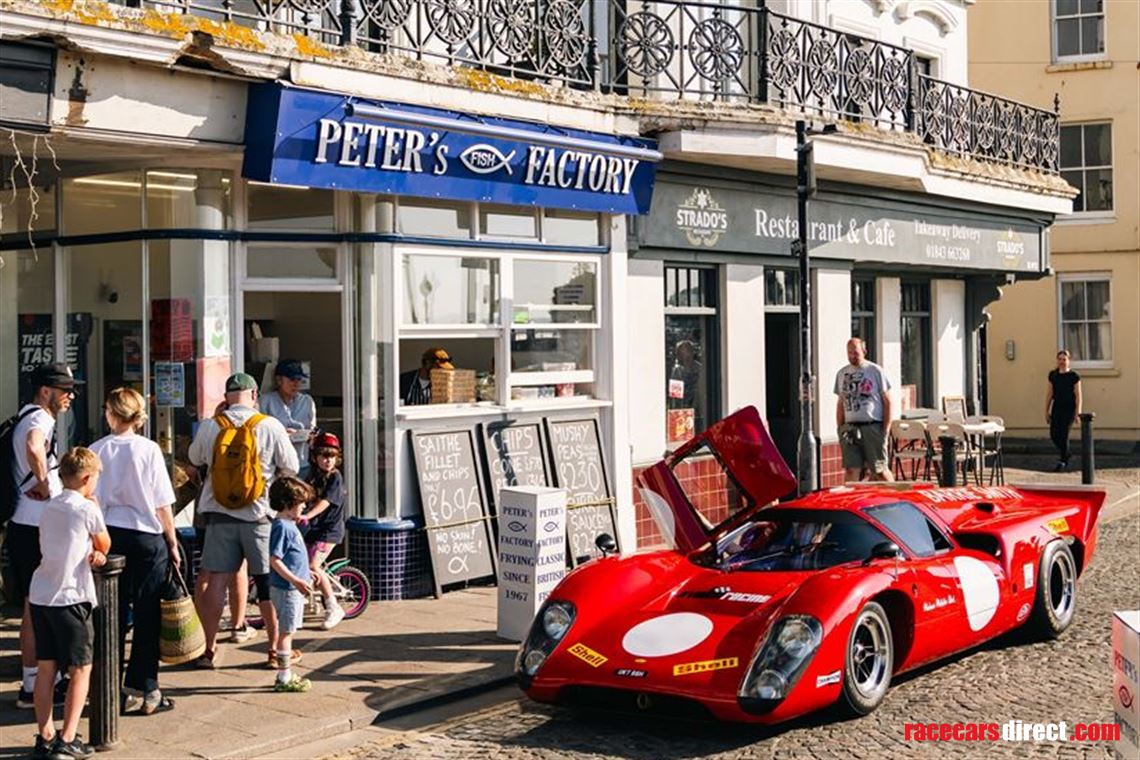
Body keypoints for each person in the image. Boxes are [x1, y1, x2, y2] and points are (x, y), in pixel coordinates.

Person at [188, 372, 299, 669]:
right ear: (253, 396)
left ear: (227, 397)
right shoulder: (269, 425)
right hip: (258, 515)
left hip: (219, 515)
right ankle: (275, 651)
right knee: (266, 583)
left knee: (216, 583)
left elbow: (195, 458)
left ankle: (207, 651)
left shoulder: (212, 425)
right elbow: (291, 465)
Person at [89, 388, 178, 715]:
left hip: (109, 533)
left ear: (112, 413)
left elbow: (91, 500)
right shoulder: (149, 450)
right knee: (147, 612)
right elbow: (162, 503)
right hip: (146, 535)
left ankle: (111, 685)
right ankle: (145, 685)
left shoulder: (96, 450)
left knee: (110, 615)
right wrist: (172, 541)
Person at [28, 447, 111, 760]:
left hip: (42, 593)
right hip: (70, 595)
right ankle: (68, 738)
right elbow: (105, 542)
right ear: (88, 479)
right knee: (80, 668)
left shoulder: (50, 507)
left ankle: (45, 734)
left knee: (46, 667)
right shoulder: (86, 508)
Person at [11, 363, 83, 710]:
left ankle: (33, 682)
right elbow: (34, 447)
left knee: (32, 603)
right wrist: (45, 484)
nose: (70, 396)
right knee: (40, 605)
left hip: (23, 523)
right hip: (36, 524)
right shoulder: (39, 419)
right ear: (45, 391)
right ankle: (40, 682)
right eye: (65, 389)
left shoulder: (26, 415)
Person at [267, 476, 314, 693]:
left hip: (290, 587)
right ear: (288, 504)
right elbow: (274, 559)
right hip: (287, 589)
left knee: (287, 631)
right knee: (286, 633)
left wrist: (306, 574)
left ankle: (284, 675)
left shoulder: (286, 525)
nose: (304, 507)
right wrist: (296, 580)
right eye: (301, 503)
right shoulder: (283, 527)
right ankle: (284, 677)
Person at [301, 432, 346, 630]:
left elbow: (325, 502)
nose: (328, 460)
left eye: (332, 456)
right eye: (324, 455)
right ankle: (310, 601)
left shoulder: (335, 478)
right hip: (313, 529)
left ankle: (333, 606)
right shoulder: (311, 476)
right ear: (315, 457)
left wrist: (308, 515)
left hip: (329, 530)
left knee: (312, 565)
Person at [834, 337, 894, 483]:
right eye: (849, 353)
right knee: (851, 469)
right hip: (850, 428)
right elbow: (840, 402)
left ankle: (896, 496)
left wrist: (885, 430)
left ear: (864, 351)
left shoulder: (875, 371)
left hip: (872, 426)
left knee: (879, 470)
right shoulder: (842, 373)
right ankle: (849, 501)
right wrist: (840, 428)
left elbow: (888, 402)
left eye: (855, 352)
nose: (852, 356)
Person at [259, 360, 317, 477]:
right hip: (275, 466)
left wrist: (306, 435)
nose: (296, 384)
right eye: (291, 379)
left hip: (301, 463)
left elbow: (313, 432)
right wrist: (281, 434)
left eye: (299, 380)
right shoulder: (265, 401)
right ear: (279, 380)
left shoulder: (307, 401)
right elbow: (260, 433)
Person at [1045, 349, 1082, 472]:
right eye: (1059, 359)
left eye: (1064, 359)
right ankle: (1066, 453)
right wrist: (1046, 411)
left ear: (1069, 361)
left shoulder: (1074, 376)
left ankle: (1063, 460)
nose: (1062, 362)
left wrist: (1078, 413)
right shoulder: (1053, 375)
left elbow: (1078, 395)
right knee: (1054, 434)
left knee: (1064, 433)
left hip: (1069, 408)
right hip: (1057, 407)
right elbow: (1049, 394)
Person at [669, 340, 705, 429]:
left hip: (699, 411)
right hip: (682, 412)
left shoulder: (700, 369)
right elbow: (675, 396)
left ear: (692, 353)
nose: (684, 357)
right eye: (680, 354)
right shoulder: (677, 371)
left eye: (687, 352)